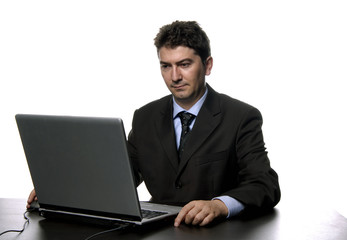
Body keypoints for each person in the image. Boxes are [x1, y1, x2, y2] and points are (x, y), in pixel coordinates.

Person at [27, 20, 280, 227]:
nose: (175, 77)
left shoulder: (241, 117)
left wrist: (219, 205)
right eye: (165, 66)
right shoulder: (145, 116)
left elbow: (265, 184)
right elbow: (119, 175)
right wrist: (61, 189)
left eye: (184, 64)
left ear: (208, 65)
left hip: (215, 232)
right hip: (156, 229)